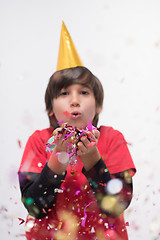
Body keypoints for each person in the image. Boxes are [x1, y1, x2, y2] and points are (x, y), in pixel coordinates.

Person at [18, 22, 136, 240]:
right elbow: (34, 207)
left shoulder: (112, 139)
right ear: (50, 109)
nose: (74, 101)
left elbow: (117, 206)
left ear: (98, 105)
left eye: (83, 92)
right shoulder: (38, 140)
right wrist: (59, 157)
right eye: (64, 93)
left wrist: (92, 157)